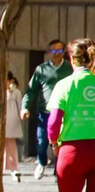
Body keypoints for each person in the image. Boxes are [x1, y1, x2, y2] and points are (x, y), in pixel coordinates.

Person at [46, 39, 95, 192]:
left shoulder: (64, 85)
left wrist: (53, 141)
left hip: (72, 152)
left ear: (71, 59)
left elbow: (54, 121)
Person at [25, 39, 73, 180]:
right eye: (53, 51)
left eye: (59, 51)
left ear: (64, 52)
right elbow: (31, 90)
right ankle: (41, 162)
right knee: (41, 141)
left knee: (61, 141)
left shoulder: (69, 68)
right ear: (49, 52)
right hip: (44, 111)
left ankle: (58, 170)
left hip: (64, 112)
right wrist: (25, 107)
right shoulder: (41, 69)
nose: (56, 54)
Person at [4, 72, 24, 183]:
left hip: (11, 120)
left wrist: (22, 113)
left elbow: (20, 105)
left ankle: (14, 168)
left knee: (11, 146)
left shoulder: (15, 92)